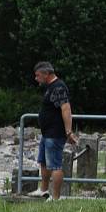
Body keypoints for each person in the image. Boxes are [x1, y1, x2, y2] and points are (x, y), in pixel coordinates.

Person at [29, 61, 77, 200]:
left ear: (46, 74)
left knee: (55, 165)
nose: (36, 78)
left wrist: (68, 132)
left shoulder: (59, 87)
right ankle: (43, 190)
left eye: (38, 75)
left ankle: (55, 197)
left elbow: (66, 109)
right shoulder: (50, 87)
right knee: (43, 162)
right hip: (47, 133)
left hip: (55, 134)